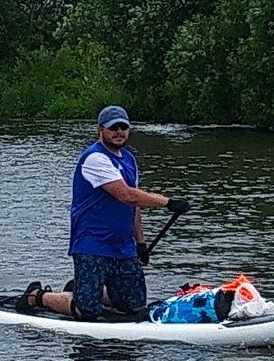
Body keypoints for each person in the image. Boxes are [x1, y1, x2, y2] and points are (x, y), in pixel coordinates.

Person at [29, 105, 181, 321]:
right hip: (92, 244)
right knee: (88, 312)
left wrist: (140, 243)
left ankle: (84, 288)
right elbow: (125, 195)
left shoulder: (129, 159)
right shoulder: (94, 159)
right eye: (113, 128)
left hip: (122, 246)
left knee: (134, 306)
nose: (119, 132)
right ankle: (38, 297)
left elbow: (134, 205)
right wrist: (168, 203)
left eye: (123, 127)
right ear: (101, 130)